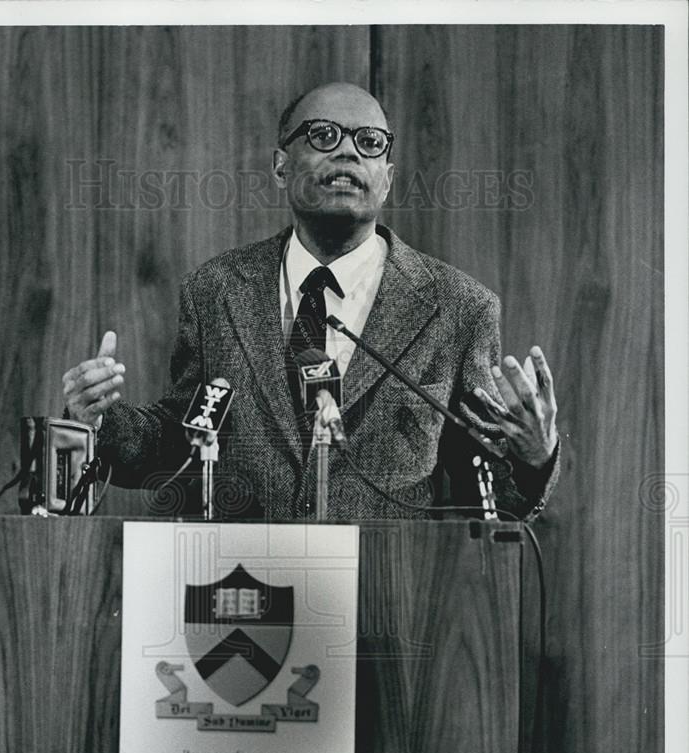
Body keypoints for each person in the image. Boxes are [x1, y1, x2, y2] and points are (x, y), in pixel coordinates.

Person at [63, 82, 559, 520]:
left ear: (386, 176)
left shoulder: (458, 308)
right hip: (248, 588)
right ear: (281, 165)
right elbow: (183, 441)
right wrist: (102, 419)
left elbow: (486, 489)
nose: (348, 154)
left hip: (386, 596)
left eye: (369, 143)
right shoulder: (216, 289)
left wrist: (534, 456)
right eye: (324, 135)